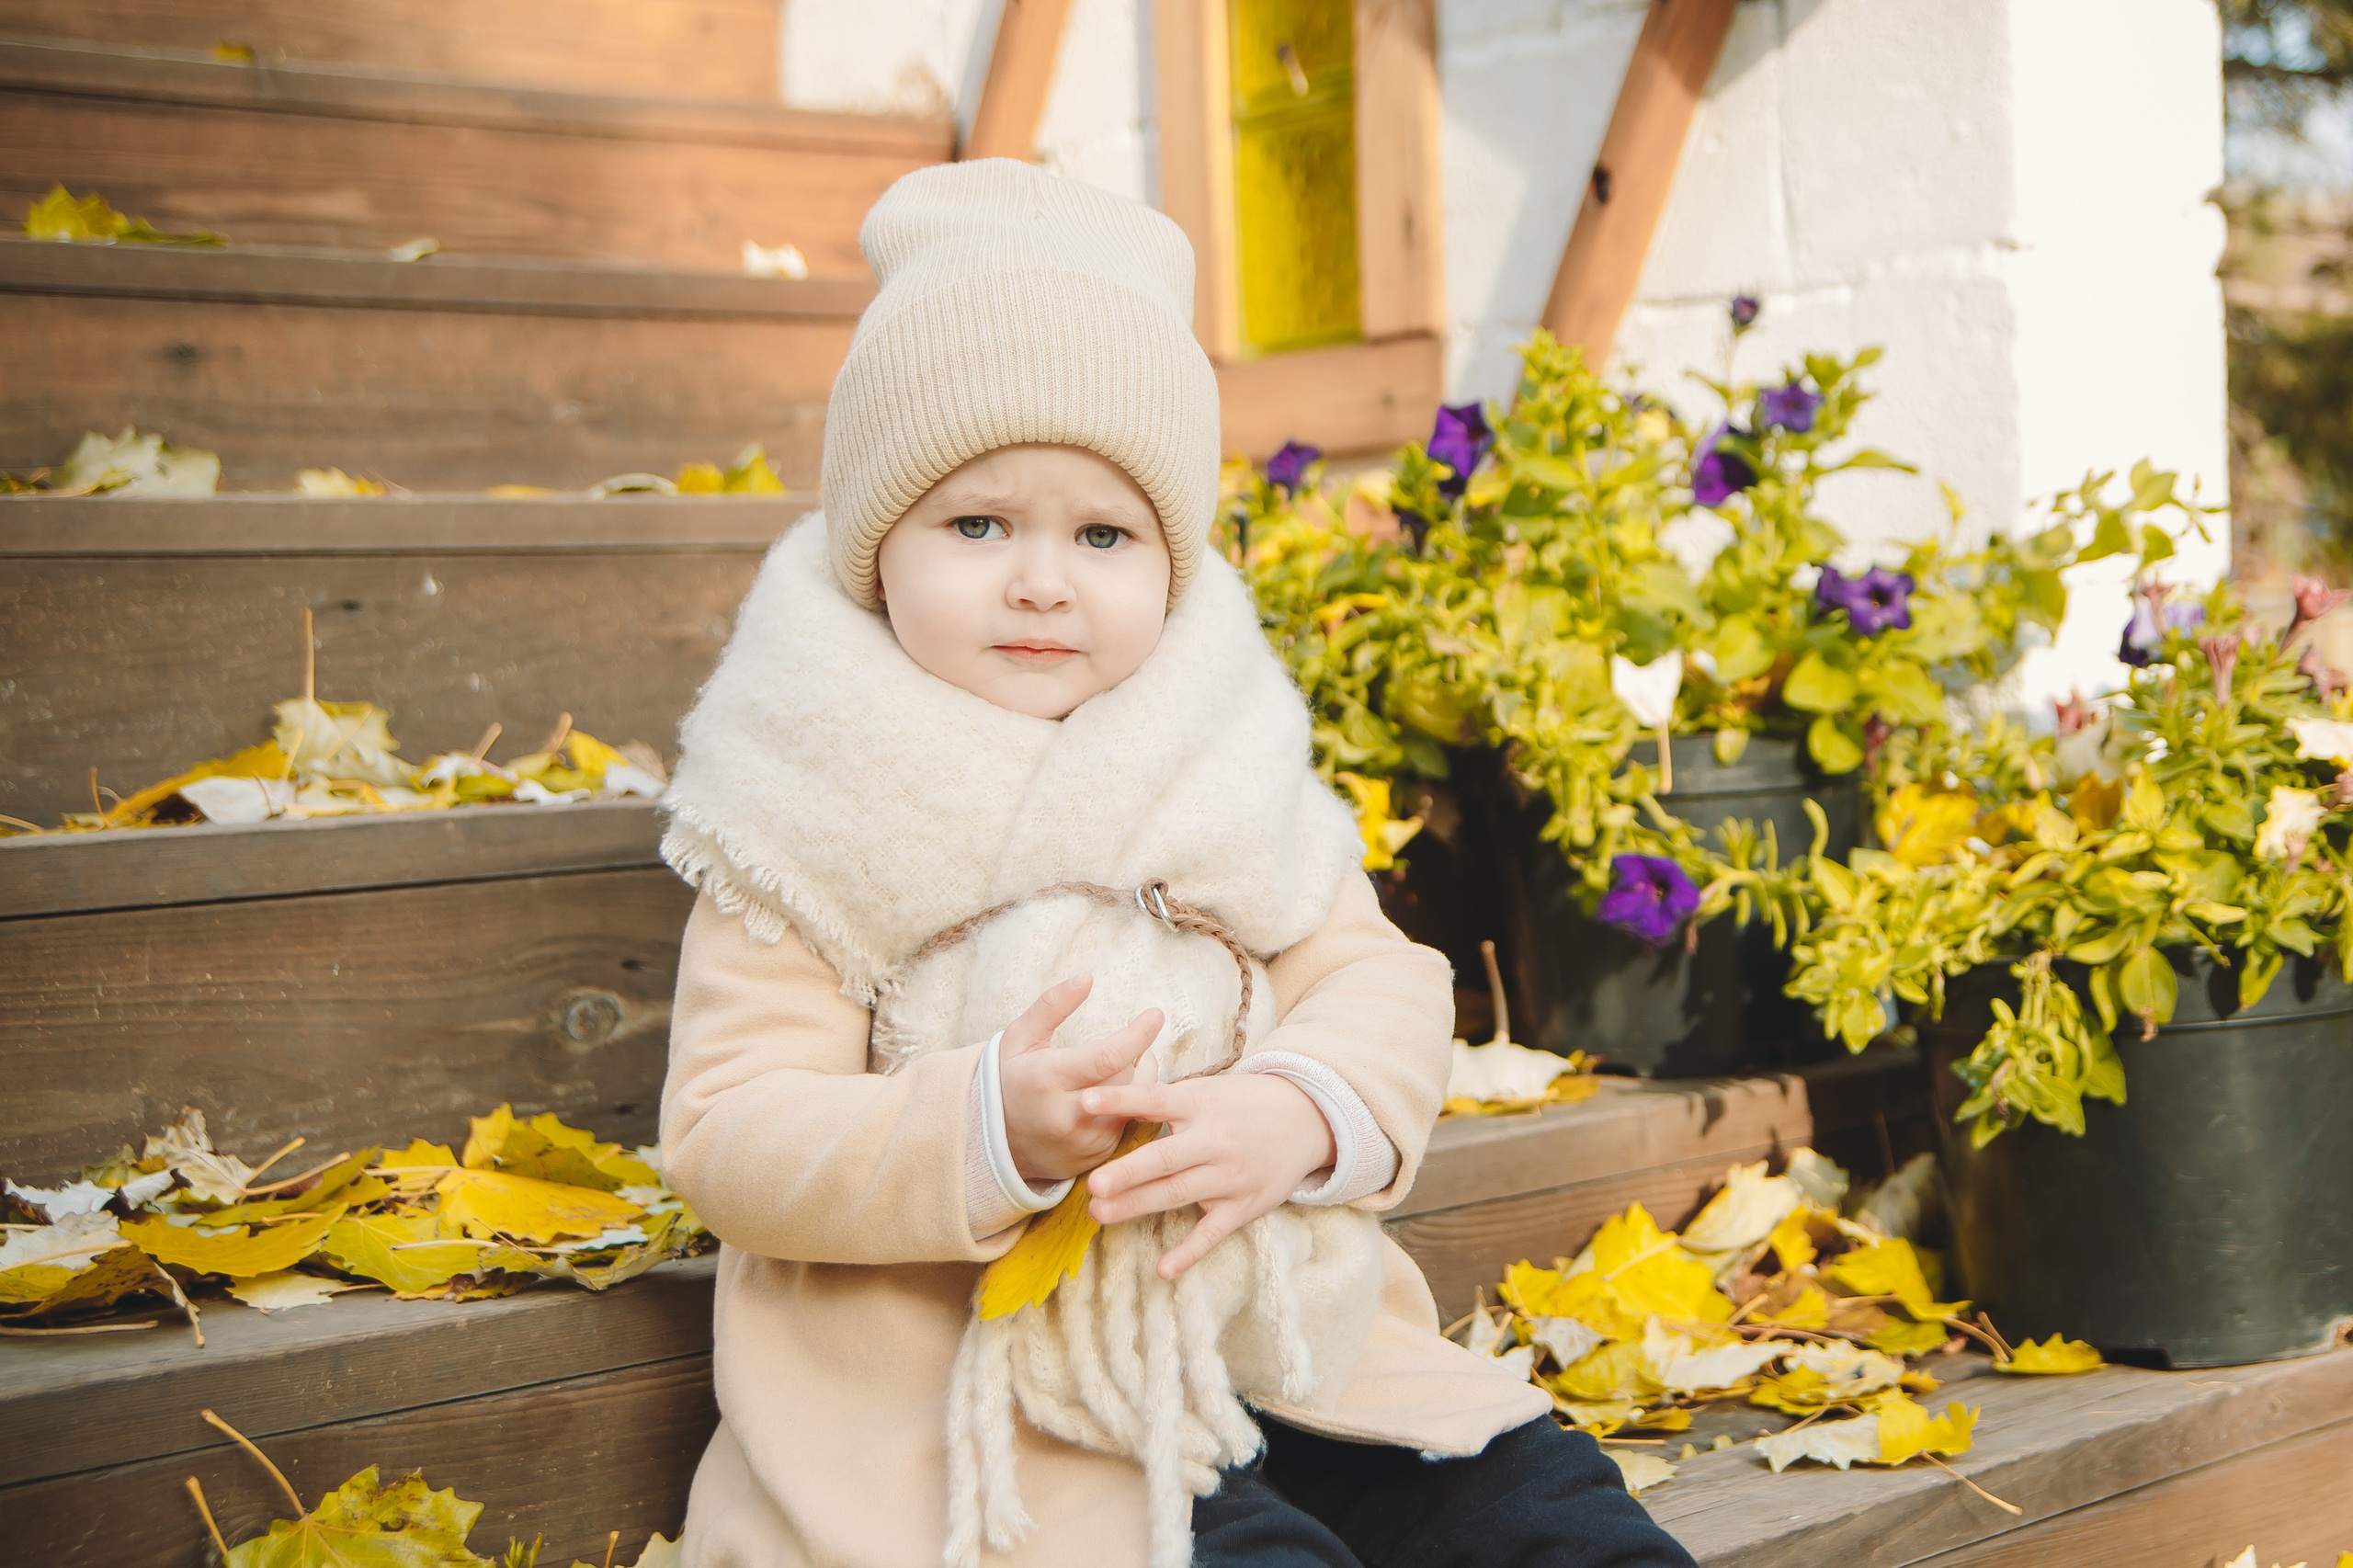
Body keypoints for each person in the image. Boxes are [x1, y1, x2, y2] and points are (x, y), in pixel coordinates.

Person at [655, 158, 1697, 1568]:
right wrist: (983, 1127)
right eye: (977, 524)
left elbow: (1379, 979)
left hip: (1279, 1343)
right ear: (876, 546)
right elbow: (729, 1126)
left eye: (1104, 533)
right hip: (998, 1406)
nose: (1042, 578)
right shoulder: (804, 797)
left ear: (1171, 562)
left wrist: (1299, 1104)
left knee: (1549, 1513)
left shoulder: (1218, 757)